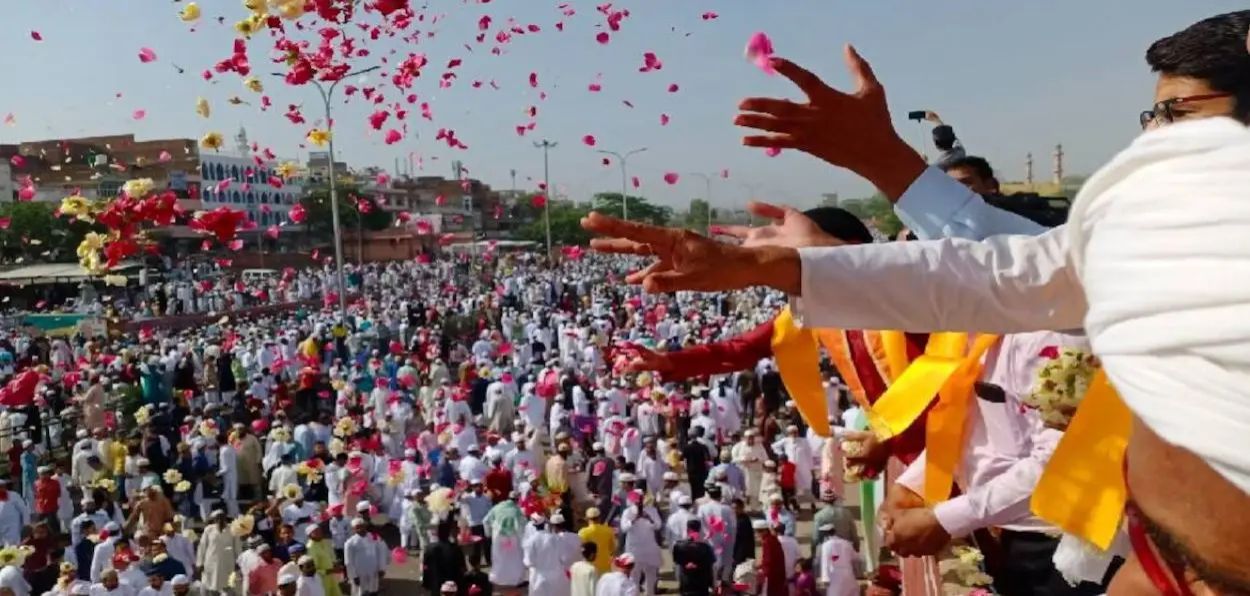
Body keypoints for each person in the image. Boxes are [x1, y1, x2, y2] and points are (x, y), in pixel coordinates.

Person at [583, 10, 1250, 595]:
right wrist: (778, 261)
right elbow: (1005, 271)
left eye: (1178, 114)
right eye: (1153, 115)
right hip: (1165, 562)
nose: (1152, 138)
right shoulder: (1159, 240)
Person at [195, 511, 240, 596]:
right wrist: (199, 563)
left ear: (225, 518)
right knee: (211, 586)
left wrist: (238, 561)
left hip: (227, 562)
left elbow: (237, 546)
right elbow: (202, 547)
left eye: (222, 517)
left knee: (228, 586)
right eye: (217, 518)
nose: (220, 520)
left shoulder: (233, 529)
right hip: (211, 562)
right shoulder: (209, 529)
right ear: (214, 520)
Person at [671, 520, 715, 596]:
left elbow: (677, 562)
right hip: (702, 584)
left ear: (688, 530)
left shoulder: (678, 546)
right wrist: (711, 584)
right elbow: (710, 568)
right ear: (699, 530)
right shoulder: (706, 548)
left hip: (686, 583)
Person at [342, 519, 384, 596]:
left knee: (373, 591)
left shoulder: (374, 536)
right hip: (359, 574)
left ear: (365, 526)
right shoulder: (350, 543)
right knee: (360, 592)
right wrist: (353, 576)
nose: (361, 529)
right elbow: (348, 562)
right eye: (357, 527)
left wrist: (381, 568)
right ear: (353, 529)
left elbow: (381, 552)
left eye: (362, 526)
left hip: (373, 571)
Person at [421, 523, 464, 596]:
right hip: (452, 586)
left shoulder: (429, 549)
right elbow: (462, 568)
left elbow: (425, 568)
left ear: (438, 534)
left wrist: (426, 582)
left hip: (436, 584)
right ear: (448, 534)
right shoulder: (455, 549)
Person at [815, 526, 859, 596]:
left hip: (835, 576)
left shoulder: (826, 545)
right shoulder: (846, 543)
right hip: (848, 574)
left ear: (825, 535)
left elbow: (825, 564)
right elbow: (856, 557)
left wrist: (825, 580)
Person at [576, 508, 615, 575]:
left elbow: (579, 551)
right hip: (605, 567)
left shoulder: (583, 532)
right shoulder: (608, 530)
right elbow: (612, 549)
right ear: (599, 518)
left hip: (590, 569)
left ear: (587, 519)